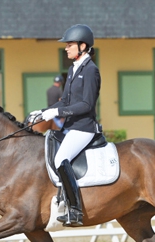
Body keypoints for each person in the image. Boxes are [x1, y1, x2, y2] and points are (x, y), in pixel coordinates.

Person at [30, 24, 101, 226]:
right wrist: (44, 112)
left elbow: (86, 104)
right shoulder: (72, 69)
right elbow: (65, 101)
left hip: (84, 127)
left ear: (82, 46)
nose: (66, 48)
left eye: (70, 45)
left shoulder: (90, 71)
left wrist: (57, 112)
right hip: (70, 127)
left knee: (61, 158)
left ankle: (75, 210)